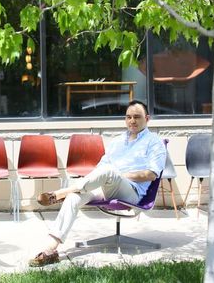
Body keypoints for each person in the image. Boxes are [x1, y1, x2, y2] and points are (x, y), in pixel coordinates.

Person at [29, 100, 167, 267]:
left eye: (137, 117)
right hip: (106, 186)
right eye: (128, 117)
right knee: (74, 198)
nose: (132, 121)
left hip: (132, 191)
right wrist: (105, 177)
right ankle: (50, 250)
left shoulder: (154, 142)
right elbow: (100, 169)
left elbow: (151, 174)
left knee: (108, 172)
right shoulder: (117, 142)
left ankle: (60, 193)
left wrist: (119, 175)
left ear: (147, 118)